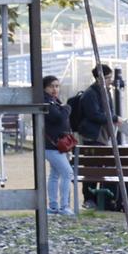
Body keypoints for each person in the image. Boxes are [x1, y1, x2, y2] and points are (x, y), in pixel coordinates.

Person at [69, 64, 128, 211]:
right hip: (93, 134)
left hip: (100, 133)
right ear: (98, 78)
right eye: (107, 78)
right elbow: (94, 115)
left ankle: (95, 197)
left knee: (96, 165)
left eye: (110, 77)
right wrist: (113, 117)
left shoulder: (103, 91)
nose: (110, 80)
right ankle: (89, 197)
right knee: (93, 165)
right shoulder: (91, 94)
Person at [41, 75, 78, 216]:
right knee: (67, 173)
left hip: (56, 146)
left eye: (57, 86)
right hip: (52, 146)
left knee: (55, 175)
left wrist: (64, 108)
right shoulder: (46, 102)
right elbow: (59, 117)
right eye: (51, 86)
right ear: (45, 87)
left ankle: (54, 206)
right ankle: (64, 206)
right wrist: (67, 108)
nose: (55, 89)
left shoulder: (53, 101)